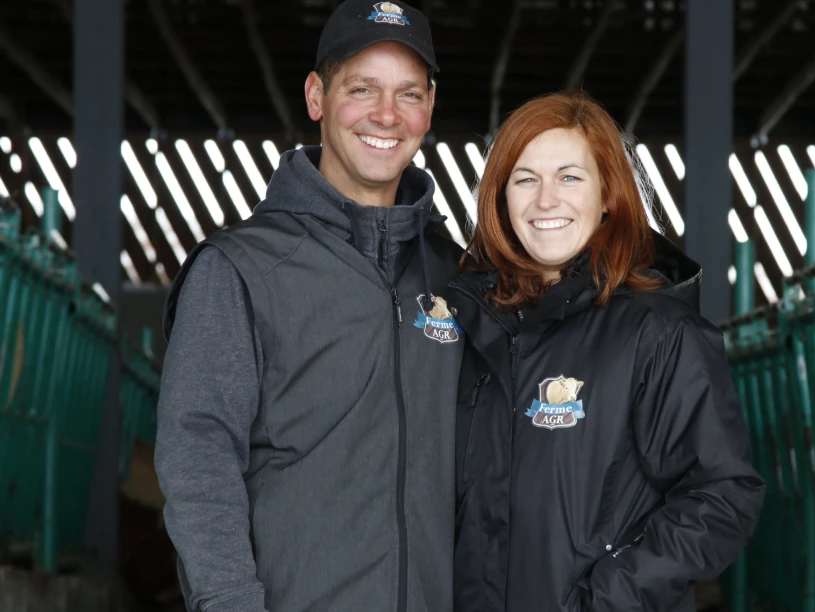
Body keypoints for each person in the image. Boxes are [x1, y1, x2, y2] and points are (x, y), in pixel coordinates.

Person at [155, 2, 464, 611]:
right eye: (362, 88)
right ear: (316, 96)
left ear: (430, 107)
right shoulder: (240, 268)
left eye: (408, 93)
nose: (386, 115)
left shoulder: (457, 278)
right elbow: (198, 458)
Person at [447, 92, 765, 612]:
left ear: (608, 195)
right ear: (501, 197)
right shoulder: (469, 327)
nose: (546, 200)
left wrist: (605, 600)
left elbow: (723, 494)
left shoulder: (659, 331)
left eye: (570, 177)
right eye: (526, 179)